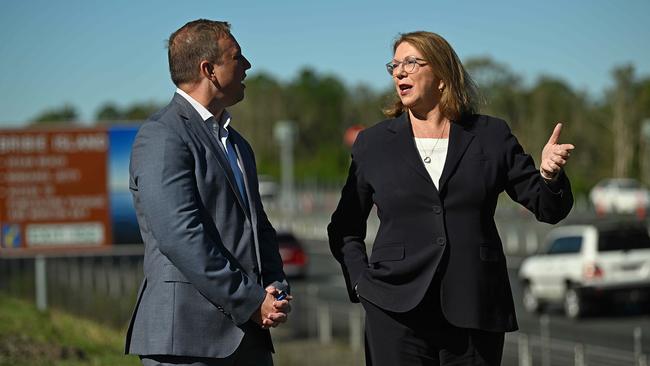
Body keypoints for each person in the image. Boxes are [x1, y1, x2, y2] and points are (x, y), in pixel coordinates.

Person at [328, 31, 574, 366]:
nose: (399, 72)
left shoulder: (491, 135)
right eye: (395, 65)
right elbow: (344, 227)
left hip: (474, 307)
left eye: (411, 63)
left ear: (443, 76)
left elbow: (548, 208)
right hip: (394, 311)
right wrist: (361, 283)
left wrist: (548, 174)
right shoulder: (373, 144)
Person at [125, 19, 291, 366]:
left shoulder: (238, 144)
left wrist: (274, 287)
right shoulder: (163, 136)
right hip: (186, 341)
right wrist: (249, 301)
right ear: (209, 69)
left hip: (248, 339)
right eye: (237, 57)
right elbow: (180, 236)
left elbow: (257, 226)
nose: (247, 65)